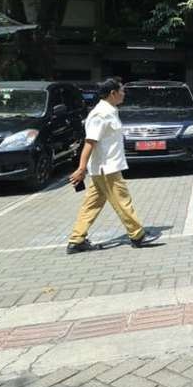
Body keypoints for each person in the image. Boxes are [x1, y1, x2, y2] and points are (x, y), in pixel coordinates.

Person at [66, 77, 159, 254]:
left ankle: (76, 239)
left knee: (92, 204)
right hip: (106, 168)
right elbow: (89, 142)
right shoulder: (101, 114)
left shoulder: (110, 110)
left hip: (106, 167)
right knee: (122, 201)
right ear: (113, 93)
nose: (124, 94)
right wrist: (81, 168)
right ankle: (137, 235)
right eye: (122, 91)